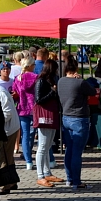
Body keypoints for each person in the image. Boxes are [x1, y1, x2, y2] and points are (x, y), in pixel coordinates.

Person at [57, 55, 97, 190]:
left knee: (69, 150)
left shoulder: (61, 81)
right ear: (75, 68)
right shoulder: (79, 82)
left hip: (66, 117)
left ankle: (69, 179)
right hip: (79, 118)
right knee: (76, 152)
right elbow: (92, 91)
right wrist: (81, 79)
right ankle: (76, 181)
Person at [33, 59, 64, 188]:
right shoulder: (41, 81)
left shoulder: (52, 80)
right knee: (42, 146)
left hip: (51, 115)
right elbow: (38, 99)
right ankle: (40, 175)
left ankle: (47, 172)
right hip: (44, 116)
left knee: (48, 145)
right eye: (56, 69)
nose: (57, 71)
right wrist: (52, 92)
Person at [0, 81, 20, 195]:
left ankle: (5, 185)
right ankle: (12, 181)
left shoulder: (0, 93)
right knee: (8, 156)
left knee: (3, 157)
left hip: (8, 129)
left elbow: (7, 113)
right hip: (10, 127)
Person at [12, 56, 38, 170]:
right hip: (34, 108)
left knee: (25, 135)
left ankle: (28, 162)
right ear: (30, 66)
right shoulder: (36, 77)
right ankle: (46, 158)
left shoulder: (18, 78)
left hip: (22, 108)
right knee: (38, 134)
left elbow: (14, 93)